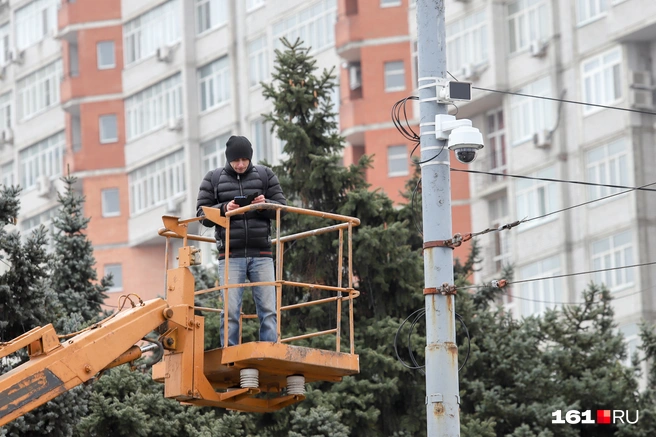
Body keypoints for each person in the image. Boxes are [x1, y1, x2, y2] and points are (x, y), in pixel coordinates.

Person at [196, 135, 286, 347]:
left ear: (250, 158)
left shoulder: (265, 175)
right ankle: (230, 353)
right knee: (230, 311)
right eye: (236, 160)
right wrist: (224, 209)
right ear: (228, 159)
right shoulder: (213, 178)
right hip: (230, 255)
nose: (240, 164)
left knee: (268, 310)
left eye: (244, 160)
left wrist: (265, 204)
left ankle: (269, 351)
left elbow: (283, 209)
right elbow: (201, 214)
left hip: (262, 253)